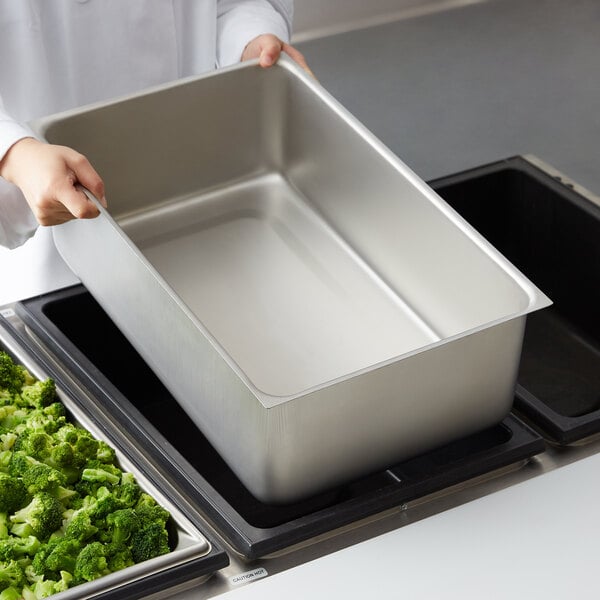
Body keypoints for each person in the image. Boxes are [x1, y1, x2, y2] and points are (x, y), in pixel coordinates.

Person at [0, 0, 310, 251]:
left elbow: (232, 5)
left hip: (206, 207)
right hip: (48, 255)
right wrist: (14, 153)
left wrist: (249, 38)